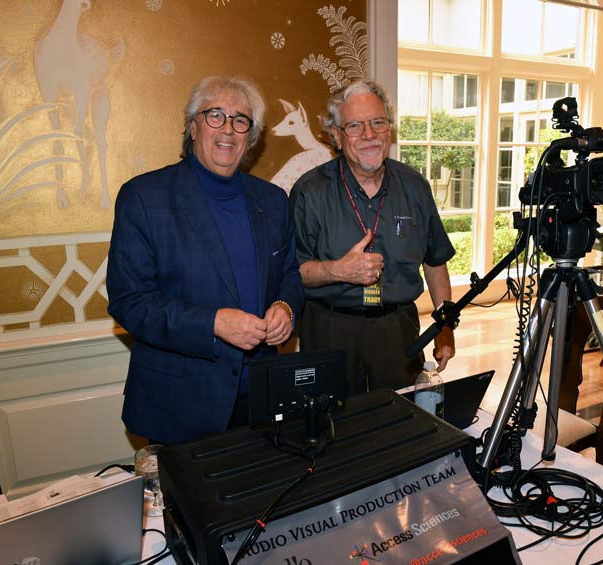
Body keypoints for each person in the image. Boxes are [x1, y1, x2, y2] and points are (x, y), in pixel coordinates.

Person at [107, 76, 303, 445]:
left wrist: (285, 306)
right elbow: (129, 302)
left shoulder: (274, 200)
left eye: (240, 120)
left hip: (261, 398)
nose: (228, 129)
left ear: (251, 136)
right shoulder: (144, 197)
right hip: (180, 403)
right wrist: (213, 323)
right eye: (216, 115)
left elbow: (290, 273)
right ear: (193, 126)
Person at [290, 80, 455, 396]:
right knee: (331, 428)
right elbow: (291, 273)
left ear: (389, 130)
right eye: (354, 125)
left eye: (377, 122)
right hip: (328, 329)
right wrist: (339, 270)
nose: (369, 134)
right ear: (337, 137)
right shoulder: (309, 192)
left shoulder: (415, 187)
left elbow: (435, 261)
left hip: (398, 330)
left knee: (400, 421)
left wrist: (445, 324)